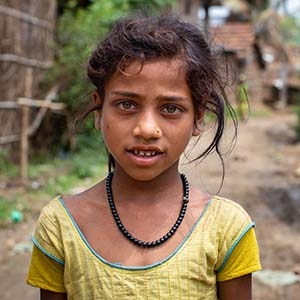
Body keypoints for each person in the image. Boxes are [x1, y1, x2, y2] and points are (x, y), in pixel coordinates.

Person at [27, 13, 261, 300]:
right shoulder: (61, 226)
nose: (147, 129)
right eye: (127, 104)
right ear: (99, 110)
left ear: (198, 118)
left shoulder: (226, 229)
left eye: (171, 108)